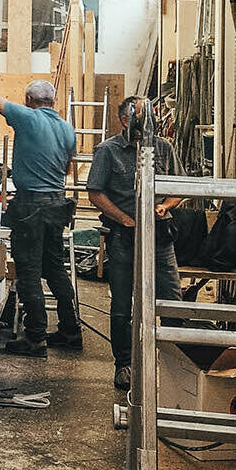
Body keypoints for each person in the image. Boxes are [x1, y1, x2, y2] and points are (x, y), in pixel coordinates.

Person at [0, 67, 79, 357]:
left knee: (29, 270)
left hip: (31, 206)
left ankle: (35, 338)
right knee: (55, 268)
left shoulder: (27, 117)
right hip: (58, 204)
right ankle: (71, 331)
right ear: (53, 102)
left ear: (30, 100)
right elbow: (68, 166)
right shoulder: (67, 128)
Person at [87, 96, 182, 390]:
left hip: (160, 237)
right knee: (122, 305)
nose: (150, 121)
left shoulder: (164, 148)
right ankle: (124, 364)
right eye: (143, 115)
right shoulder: (108, 151)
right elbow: (95, 192)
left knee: (172, 300)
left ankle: (175, 365)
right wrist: (125, 219)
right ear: (126, 120)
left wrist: (165, 206)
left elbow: (180, 186)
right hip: (123, 238)